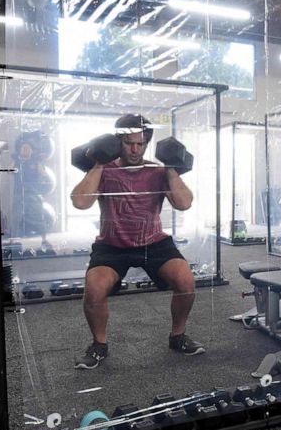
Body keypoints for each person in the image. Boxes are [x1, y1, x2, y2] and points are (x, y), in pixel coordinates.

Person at [70, 114, 202, 370]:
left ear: (147, 143)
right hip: (112, 245)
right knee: (94, 289)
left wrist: (171, 167)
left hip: (153, 243)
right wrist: (98, 162)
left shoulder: (158, 171)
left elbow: (184, 203)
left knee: (185, 280)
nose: (134, 149)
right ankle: (99, 345)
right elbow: (80, 201)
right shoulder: (105, 170)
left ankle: (178, 336)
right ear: (118, 142)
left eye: (140, 144)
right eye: (128, 143)